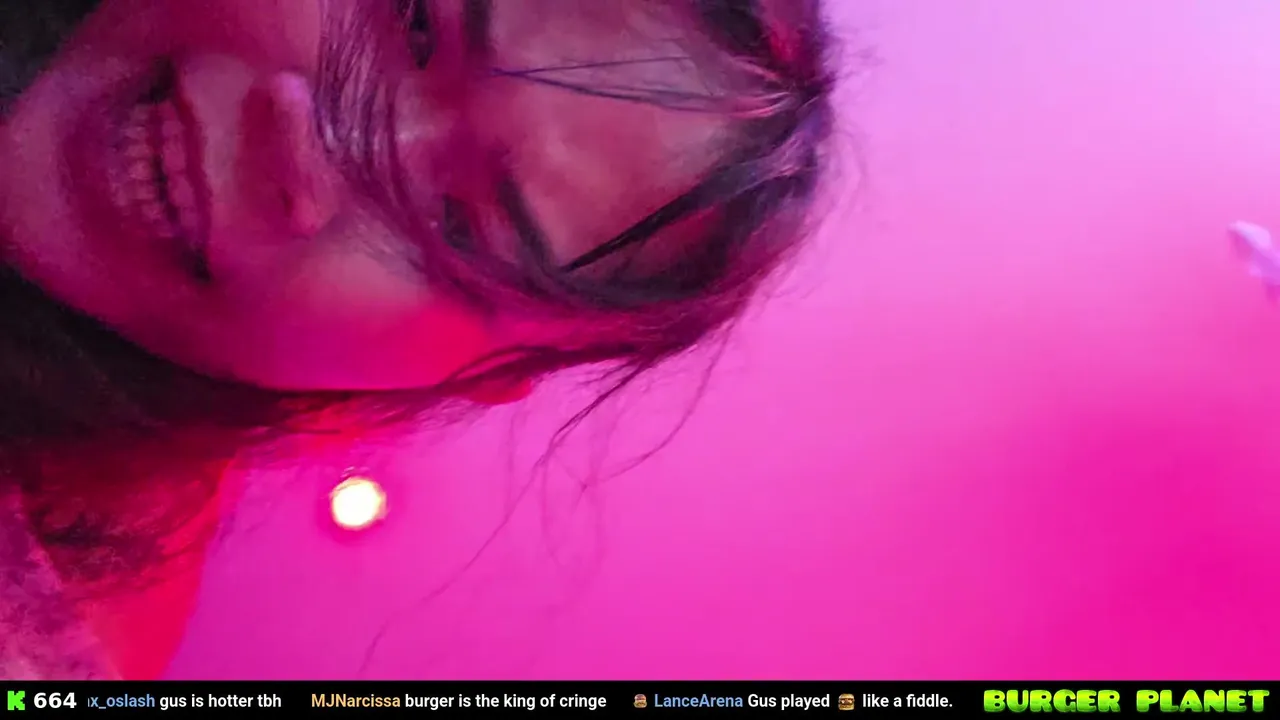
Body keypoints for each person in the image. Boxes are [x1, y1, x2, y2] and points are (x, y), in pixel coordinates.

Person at [0, 0, 835, 680]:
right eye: (415, 22)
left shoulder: (50, 629)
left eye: (459, 231)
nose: (297, 147)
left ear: (474, 375)